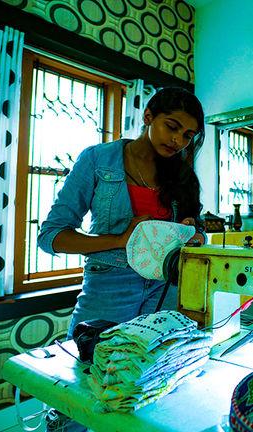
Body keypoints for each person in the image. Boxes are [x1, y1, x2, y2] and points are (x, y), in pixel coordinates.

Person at [38, 87, 207, 340]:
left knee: (156, 368)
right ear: (148, 116)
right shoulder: (97, 160)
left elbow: (200, 231)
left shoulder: (183, 176)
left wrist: (193, 235)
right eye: (172, 127)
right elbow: (51, 237)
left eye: (187, 135)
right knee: (90, 363)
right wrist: (119, 240)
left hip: (167, 285)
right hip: (110, 282)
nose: (178, 141)